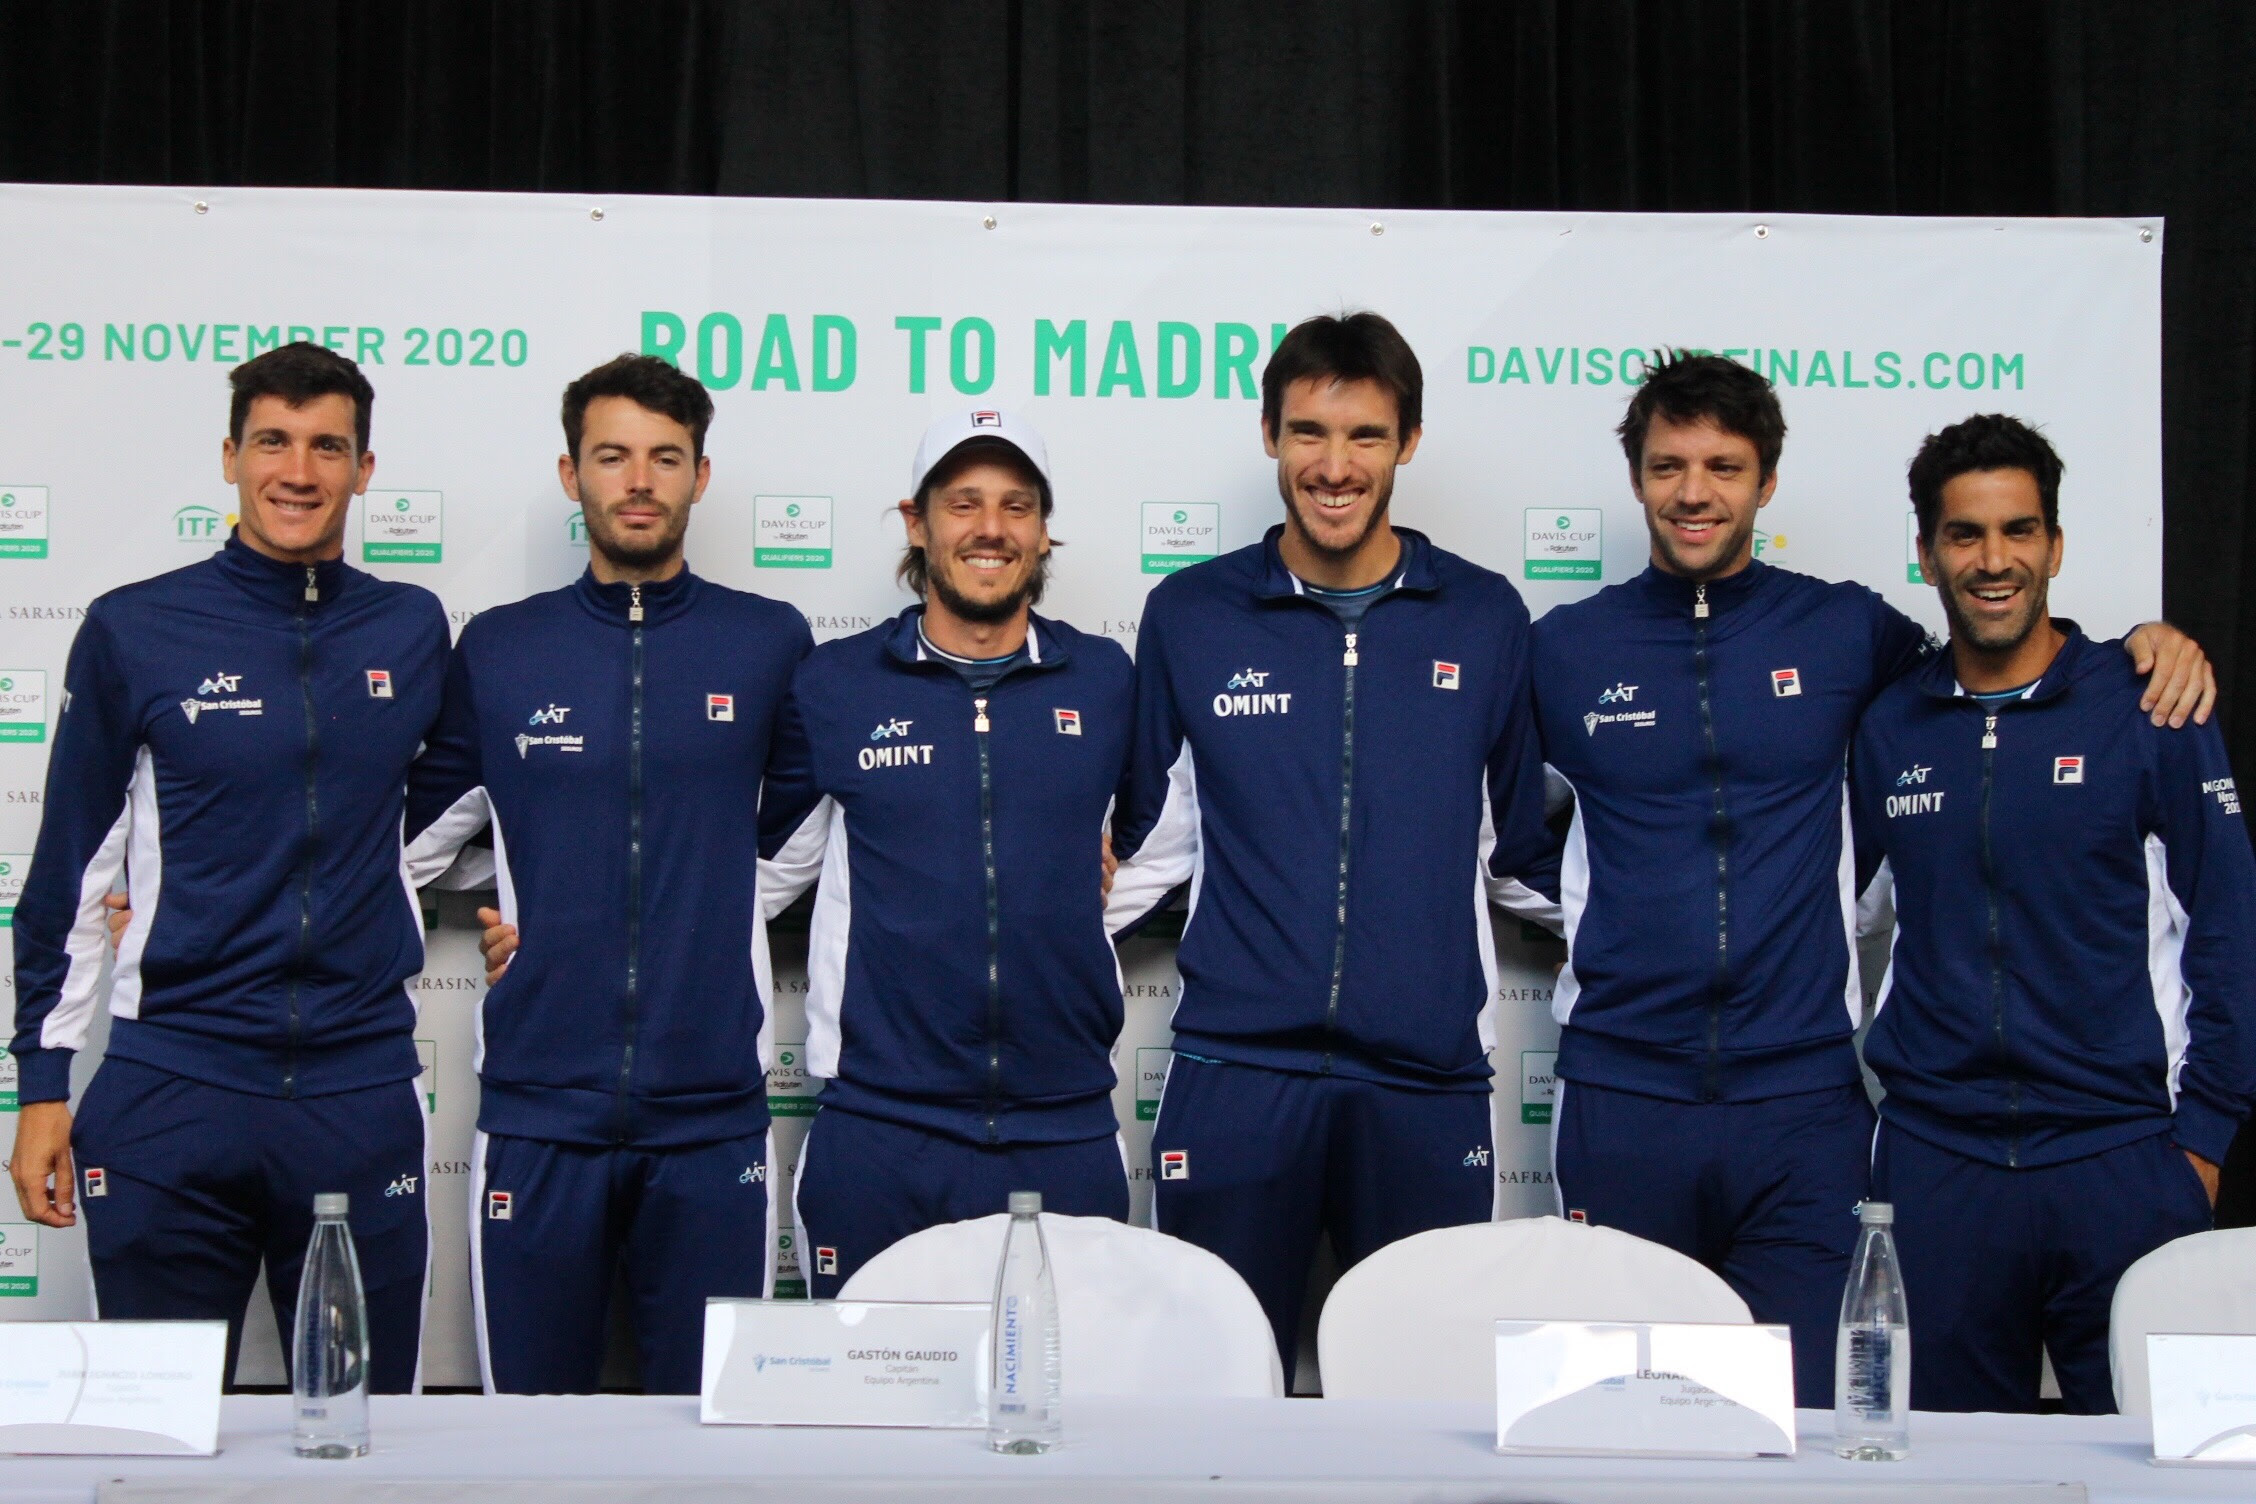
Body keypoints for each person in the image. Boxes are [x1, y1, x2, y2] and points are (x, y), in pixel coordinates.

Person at [1504, 354, 2214, 1407]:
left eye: (1724, 465)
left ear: (1766, 480)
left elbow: (1998, 672)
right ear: (1639, 477)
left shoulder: (1849, 632)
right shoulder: (1563, 648)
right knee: (1616, 1416)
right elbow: (1509, 838)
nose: (1695, 491)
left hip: (1804, 1104)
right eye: (1669, 466)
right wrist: (1635, 930)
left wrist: (2139, 648)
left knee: (1817, 1418)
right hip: (1622, 1093)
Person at [1108, 313, 1552, 1364]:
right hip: (1234, 1073)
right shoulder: (1192, 613)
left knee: (1416, 1408)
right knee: (1216, 1391)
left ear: (1408, 441)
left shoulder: (1484, 617)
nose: (1335, 465)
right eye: (1309, 432)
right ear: (1270, 436)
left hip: (1425, 1082)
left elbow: (1525, 857)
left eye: (1364, 435)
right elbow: (1141, 852)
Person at [9, 343, 445, 1391]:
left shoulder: (412, 627)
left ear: (364, 468)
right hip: (176, 1087)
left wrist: (512, 903)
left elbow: (476, 805)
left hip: (360, 1089)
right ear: (230, 456)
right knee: (162, 1435)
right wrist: (41, 1081)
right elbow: (70, 865)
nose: (298, 470)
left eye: (326, 446)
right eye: (273, 442)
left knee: (362, 1438)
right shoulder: (135, 628)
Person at [402, 354, 811, 1394]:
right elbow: (404, 837)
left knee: (716, 1440)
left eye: (665, 458)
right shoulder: (500, 649)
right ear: (570, 472)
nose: (639, 480)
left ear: (699, 477)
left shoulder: (767, 641)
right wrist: (540, 896)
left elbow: (805, 830)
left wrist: (687, 913)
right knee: (529, 1447)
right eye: (613, 456)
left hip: (712, 1107)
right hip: (542, 1111)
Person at [1850, 414, 2256, 1413]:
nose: (1995, 561)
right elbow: (1832, 914)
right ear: (1927, 554)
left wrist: (2200, 1142)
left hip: (2120, 1158)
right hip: (1940, 1165)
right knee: (1942, 1475)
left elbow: (2231, 926)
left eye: (2019, 531)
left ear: (2056, 546)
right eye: (1966, 535)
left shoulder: (2149, 706)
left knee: (2153, 1464)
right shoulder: (1890, 723)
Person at [751, 409, 1134, 1297]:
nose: (990, 528)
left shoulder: (1107, 679)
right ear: (917, 524)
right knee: (870, 1422)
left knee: (1068, 1415)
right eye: (963, 503)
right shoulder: (834, 684)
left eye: (1016, 504)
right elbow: (753, 878)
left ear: (1043, 532)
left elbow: (1161, 840)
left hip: (1063, 1126)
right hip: (882, 1133)